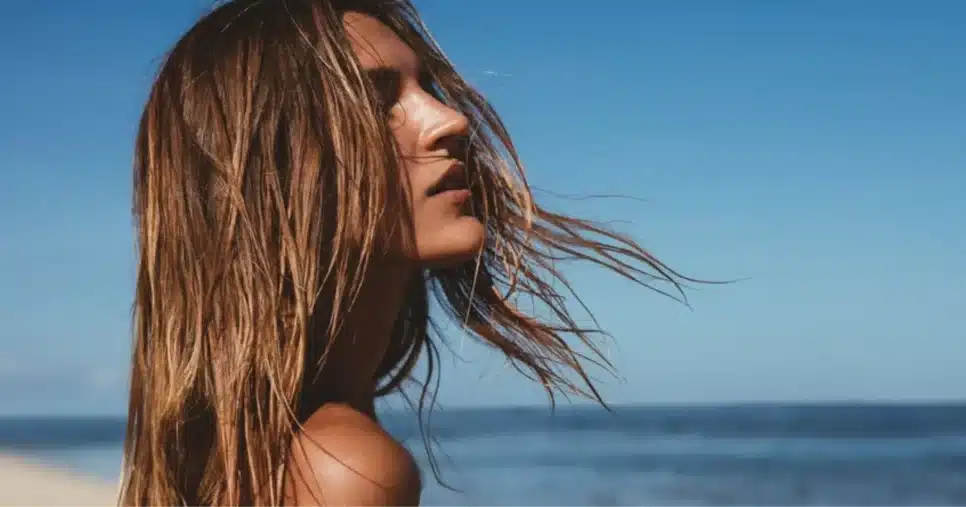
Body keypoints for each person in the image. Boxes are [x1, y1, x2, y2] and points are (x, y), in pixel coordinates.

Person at [119, 0, 693, 505]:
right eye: (377, 102)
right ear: (273, 170)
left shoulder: (247, 454)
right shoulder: (343, 470)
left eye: (427, 91)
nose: (450, 120)